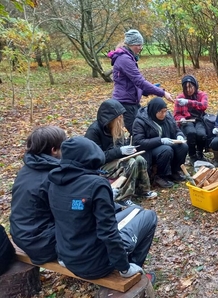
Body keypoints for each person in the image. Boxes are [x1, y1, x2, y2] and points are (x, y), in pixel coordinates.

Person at [47, 136, 157, 280]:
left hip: (67, 256)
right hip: (96, 263)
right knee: (149, 216)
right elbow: (108, 232)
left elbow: (75, 209)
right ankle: (132, 271)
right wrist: (124, 268)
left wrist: (107, 199)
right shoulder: (96, 185)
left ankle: (125, 263)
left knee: (137, 210)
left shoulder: (54, 180)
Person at [10, 126, 66, 264]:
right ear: (54, 150)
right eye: (63, 146)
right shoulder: (52, 176)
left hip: (21, 235)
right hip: (42, 243)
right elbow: (69, 210)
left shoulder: (27, 168)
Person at [85, 99, 157, 206]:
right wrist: (120, 151)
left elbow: (120, 145)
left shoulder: (115, 127)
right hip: (101, 165)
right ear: (109, 118)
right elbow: (97, 157)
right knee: (130, 163)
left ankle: (142, 190)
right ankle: (123, 197)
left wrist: (129, 148)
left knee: (140, 159)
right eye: (118, 118)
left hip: (116, 158)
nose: (121, 120)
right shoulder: (94, 131)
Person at [107, 29, 174, 134]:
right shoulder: (124, 59)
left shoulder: (129, 57)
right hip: (125, 104)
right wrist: (162, 92)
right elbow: (140, 82)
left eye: (141, 44)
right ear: (130, 44)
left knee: (142, 130)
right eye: (138, 44)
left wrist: (147, 90)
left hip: (132, 103)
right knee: (138, 132)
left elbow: (133, 83)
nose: (140, 48)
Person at [133, 97, 188, 188]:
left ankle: (174, 171)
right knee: (166, 150)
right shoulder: (140, 121)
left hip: (167, 143)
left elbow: (176, 130)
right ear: (154, 111)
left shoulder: (168, 116)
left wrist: (179, 135)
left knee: (183, 147)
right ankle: (161, 176)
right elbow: (139, 142)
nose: (164, 114)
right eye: (161, 112)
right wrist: (160, 140)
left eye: (165, 111)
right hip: (149, 149)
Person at [173, 75, 208, 164]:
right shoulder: (180, 97)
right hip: (187, 121)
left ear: (195, 86)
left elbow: (204, 105)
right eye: (186, 87)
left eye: (190, 87)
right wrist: (181, 119)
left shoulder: (202, 95)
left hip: (199, 120)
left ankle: (200, 153)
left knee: (201, 134)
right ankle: (192, 155)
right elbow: (176, 114)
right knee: (191, 133)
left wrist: (188, 102)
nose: (188, 90)